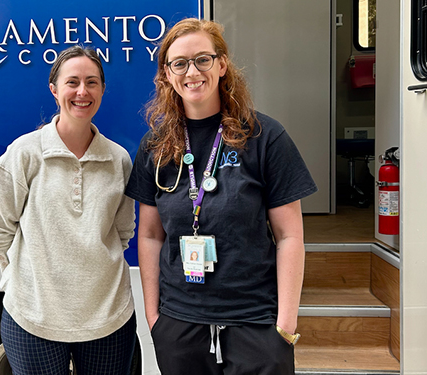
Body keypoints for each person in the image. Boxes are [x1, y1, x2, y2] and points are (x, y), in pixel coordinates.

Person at [125, 18, 318, 375]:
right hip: (180, 323)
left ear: (222, 65)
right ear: (167, 74)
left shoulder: (264, 137)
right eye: (179, 63)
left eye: (203, 59)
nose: (191, 71)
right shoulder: (154, 146)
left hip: (256, 322)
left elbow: (290, 236)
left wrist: (285, 326)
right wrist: (155, 320)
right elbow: (150, 236)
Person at [0, 45, 136, 375]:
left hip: (108, 320)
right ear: (54, 89)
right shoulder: (25, 153)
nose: (83, 91)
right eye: (73, 82)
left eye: (92, 82)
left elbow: (123, 233)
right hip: (33, 319)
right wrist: (21, 277)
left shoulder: (119, 159)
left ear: (103, 90)